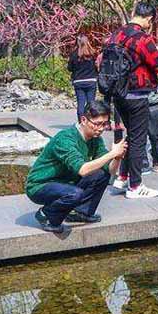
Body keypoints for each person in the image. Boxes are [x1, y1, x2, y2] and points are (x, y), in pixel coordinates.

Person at [25, 100, 126, 233]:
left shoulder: (95, 139)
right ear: (84, 120)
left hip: (67, 182)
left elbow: (110, 171)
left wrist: (117, 157)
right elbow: (82, 170)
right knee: (74, 194)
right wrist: (112, 153)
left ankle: (80, 212)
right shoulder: (65, 138)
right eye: (97, 124)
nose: (101, 128)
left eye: (105, 124)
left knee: (102, 174)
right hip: (40, 185)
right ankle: (46, 214)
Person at [108, 2, 158, 198]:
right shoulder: (143, 38)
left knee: (132, 135)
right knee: (138, 139)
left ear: (133, 13)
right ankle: (135, 186)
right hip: (137, 94)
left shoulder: (115, 35)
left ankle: (122, 177)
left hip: (118, 94)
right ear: (149, 19)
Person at [68, 35, 98, 122]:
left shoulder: (74, 54)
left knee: (81, 103)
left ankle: (81, 122)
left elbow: (69, 68)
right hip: (91, 81)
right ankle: (92, 121)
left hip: (79, 81)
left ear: (77, 42)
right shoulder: (92, 53)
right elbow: (97, 67)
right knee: (91, 103)